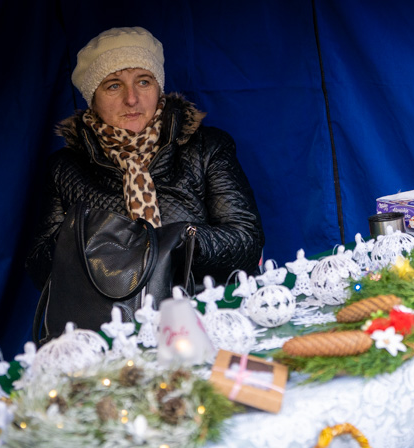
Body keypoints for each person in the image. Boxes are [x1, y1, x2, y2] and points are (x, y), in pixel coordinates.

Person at [26, 26, 265, 299]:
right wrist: (96, 240)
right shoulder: (64, 168)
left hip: (206, 306)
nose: (131, 99)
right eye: (113, 85)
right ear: (93, 99)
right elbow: (40, 268)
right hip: (115, 321)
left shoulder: (207, 148)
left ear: (158, 88)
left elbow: (246, 241)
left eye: (143, 81)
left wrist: (177, 240)